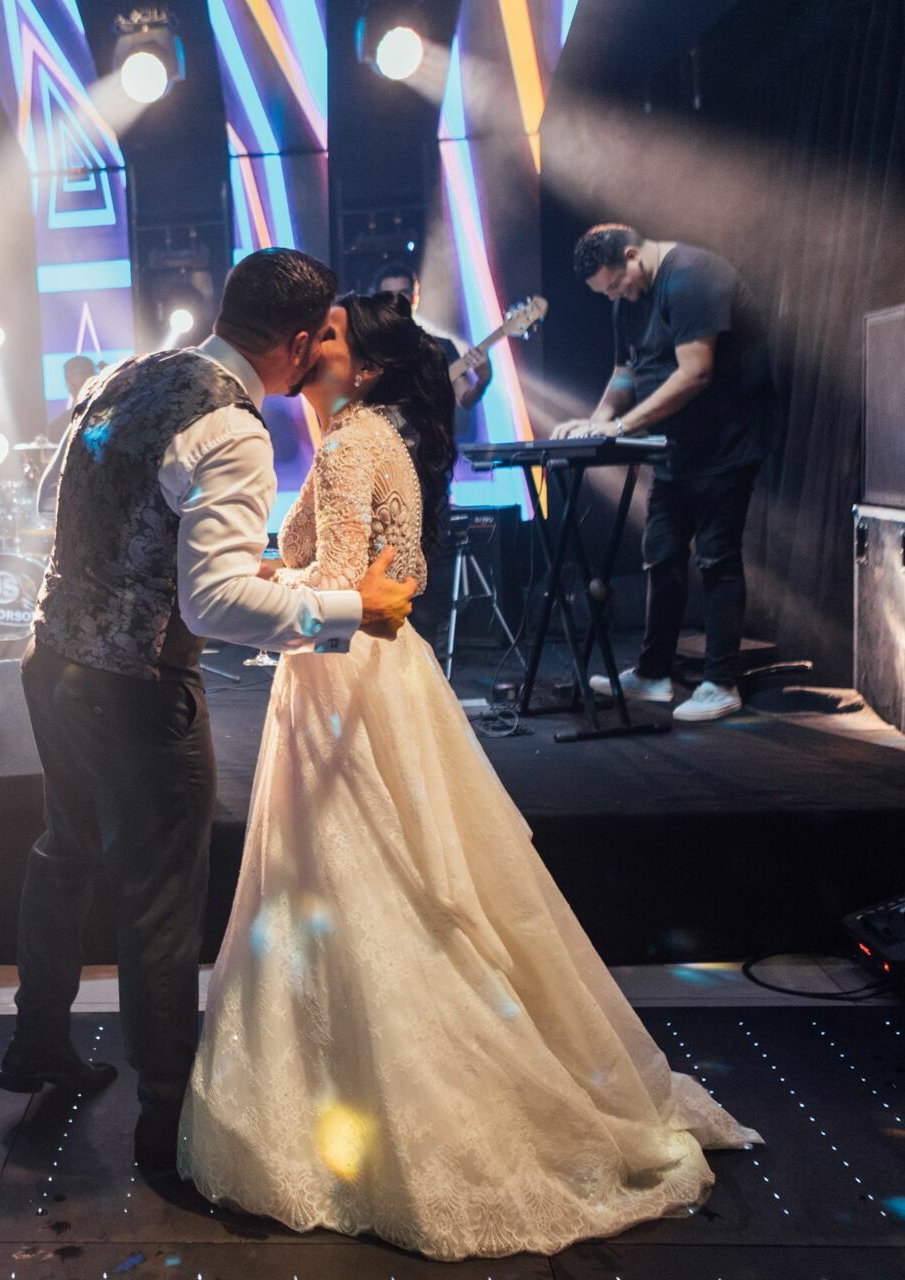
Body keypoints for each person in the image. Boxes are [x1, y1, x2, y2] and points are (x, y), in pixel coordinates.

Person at [179, 291, 760, 1259]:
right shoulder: (362, 437)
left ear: (357, 368)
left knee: (357, 880)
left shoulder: (355, 444)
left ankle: (380, 1097)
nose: (303, 346)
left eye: (324, 335)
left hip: (343, 678)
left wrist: (246, 585)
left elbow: (358, 590)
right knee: (376, 877)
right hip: (374, 677)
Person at [0, 249, 417, 1175]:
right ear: (302, 343)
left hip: (51, 657)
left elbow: (51, 501)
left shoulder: (128, 372)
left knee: (62, 851)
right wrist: (355, 609)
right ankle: (164, 1112)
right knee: (158, 900)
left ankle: (36, 1046)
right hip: (138, 692)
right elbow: (213, 605)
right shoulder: (232, 428)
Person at [554, 224, 766, 722]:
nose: (616, 296)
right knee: (663, 557)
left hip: (723, 447)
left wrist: (625, 424)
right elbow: (626, 369)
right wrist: (598, 421)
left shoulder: (691, 276)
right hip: (672, 449)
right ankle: (653, 674)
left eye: (615, 285)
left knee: (716, 560)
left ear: (633, 255)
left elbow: (696, 372)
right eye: (607, 292)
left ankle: (720, 682)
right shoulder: (626, 300)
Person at [373, 261, 490, 415]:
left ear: (415, 298)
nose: (397, 301)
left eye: (403, 294)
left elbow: (465, 398)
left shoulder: (440, 347)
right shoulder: (363, 348)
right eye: (389, 296)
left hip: (427, 437)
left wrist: (483, 381)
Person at [34, 354, 98, 519]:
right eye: (72, 378)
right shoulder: (58, 425)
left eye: (80, 376)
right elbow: (52, 468)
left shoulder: (110, 417)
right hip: (72, 499)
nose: (74, 383)